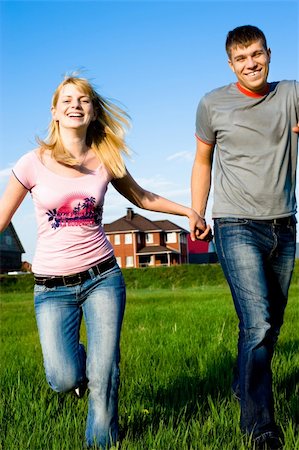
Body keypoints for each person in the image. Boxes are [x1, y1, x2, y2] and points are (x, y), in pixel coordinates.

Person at [0, 75, 210, 449]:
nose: (75, 105)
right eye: (67, 100)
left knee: (105, 372)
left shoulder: (105, 160)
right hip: (51, 288)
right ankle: (80, 369)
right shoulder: (32, 163)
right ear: (54, 111)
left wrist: (188, 212)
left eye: (83, 100)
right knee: (62, 377)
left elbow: (143, 198)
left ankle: (101, 443)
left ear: (93, 110)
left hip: (102, 278)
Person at [191, 25, 298, 449]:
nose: (250, 64)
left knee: (272, 326)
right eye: (241, 58)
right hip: (234, 223)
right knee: (257, 322)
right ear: (230, 63)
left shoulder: (291, 94)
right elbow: (202, 161)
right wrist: (197, 212)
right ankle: (259, 425)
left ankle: (244, 382)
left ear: (269, 54)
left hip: (284, 224)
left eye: (257, 55)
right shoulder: (212, 104)